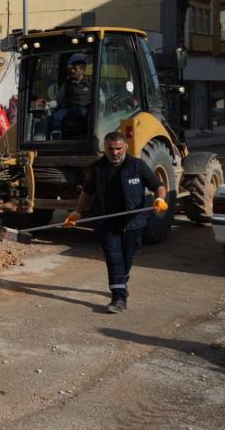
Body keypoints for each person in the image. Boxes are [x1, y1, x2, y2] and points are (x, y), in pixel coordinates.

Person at [64, 131, 168, 313]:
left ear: (125, 147)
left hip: (133, 222)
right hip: (107, 222)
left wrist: (160, 199)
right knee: (114, 259)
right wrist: (77, 212)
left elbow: (158, 186)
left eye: (119, 148)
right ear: (105, 149)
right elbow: (87, 193)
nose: (115, 152)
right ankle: (118, 297)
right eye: (111, 149)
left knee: (128, 256)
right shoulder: (97, 169)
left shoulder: (137, 166)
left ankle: (122, 281)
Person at [49, 53, 93, 139]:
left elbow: (101, 99)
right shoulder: (67, 84)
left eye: (75, 68)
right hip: (68, 109)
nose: (72, 71)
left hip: (83, 109)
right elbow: (58, 100)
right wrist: (49, 104)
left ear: (82, 69)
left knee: (82, 112)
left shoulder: (91, 83)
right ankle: (56, 140)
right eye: (71, 68)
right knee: (56, 116)